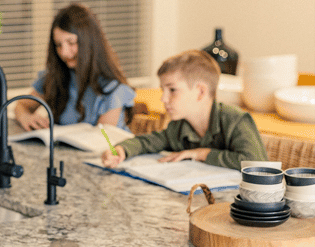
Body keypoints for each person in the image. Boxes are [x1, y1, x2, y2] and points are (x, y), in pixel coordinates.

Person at [101, 49, 268, 170]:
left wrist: (201, 154)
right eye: (163, 90)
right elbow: (147, 142)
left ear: (200, 92)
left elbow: (255, 163)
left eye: (172, 90)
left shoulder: (235, 120)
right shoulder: (180, 126)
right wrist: (121, 150)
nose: (163, 98)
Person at [14, 3, 135, 132]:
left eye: (71, 43)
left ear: (89, 42)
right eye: (58, 45)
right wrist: (26, 117)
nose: (64, 52)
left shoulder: (112, 88)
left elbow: (103, 140)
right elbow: (22, 105)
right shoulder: (56, 77)